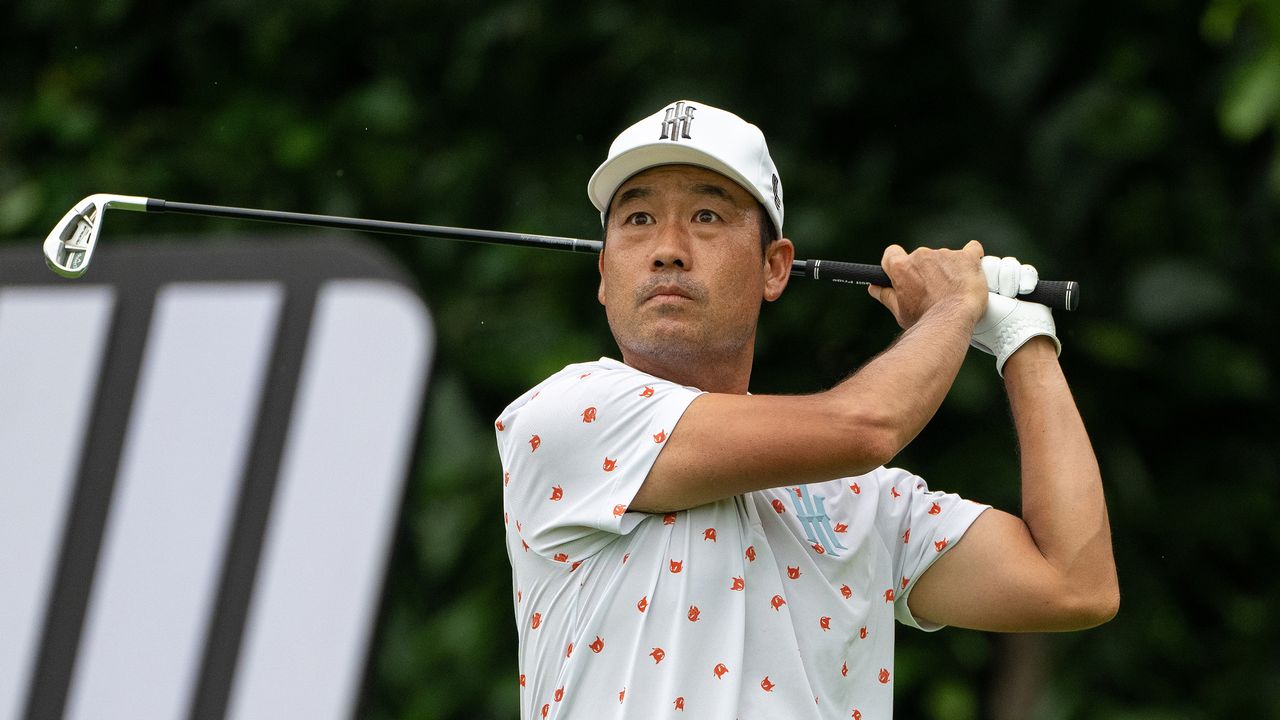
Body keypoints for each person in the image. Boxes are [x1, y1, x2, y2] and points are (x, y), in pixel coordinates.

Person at [495, 99, 1118, 720]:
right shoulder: (568, 416)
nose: (668, 249)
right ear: (604, 272)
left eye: (706, 215)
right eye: (637, 219)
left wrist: (1024, 344)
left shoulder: (861, 498)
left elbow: (1073, 583)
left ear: (775, 267)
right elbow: (867, 425)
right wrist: (954, 307)